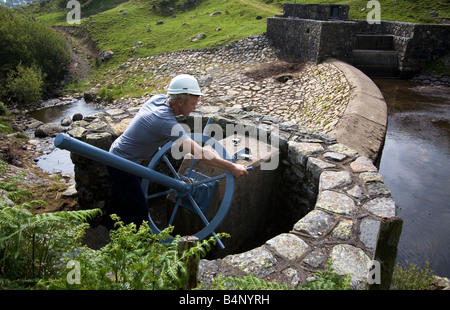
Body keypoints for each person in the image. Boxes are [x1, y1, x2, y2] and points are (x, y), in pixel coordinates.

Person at [107, 74, 249, 226]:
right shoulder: (164, 121)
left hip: (120, 155)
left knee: (120, 197)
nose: (195, 107)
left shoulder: (158, 99)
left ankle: (108, 226)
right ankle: (133, 243)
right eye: (193, 104)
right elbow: (200, 153)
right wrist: (232, 166)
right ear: (180, 102)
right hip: (122, 163)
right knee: (138, 211)